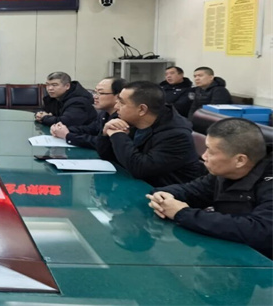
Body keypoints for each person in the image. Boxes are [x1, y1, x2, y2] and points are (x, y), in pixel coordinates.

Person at [146, 118, 271, 259]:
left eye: (211, 152)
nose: (203, 156)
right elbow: (192, 191)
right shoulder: (224, 173)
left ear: (240, 160)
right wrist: (164, 196)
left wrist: (182, 213)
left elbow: (261, 231)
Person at [97, 81, 203, 187]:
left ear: (142, 109)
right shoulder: (129, 119)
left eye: (122, 103)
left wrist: (118, 135)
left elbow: (140, 168)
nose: (116, 106)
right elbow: (106, 155)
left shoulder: (176, 135)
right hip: (137, 185)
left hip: (164, 192)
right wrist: (105, 134)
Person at [50, 77, 125, 149]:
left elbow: (102, 143)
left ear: (118, 96)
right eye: (95, 92)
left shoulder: (122, 118)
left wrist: (68, 135)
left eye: (101, 93)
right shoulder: (104, 113)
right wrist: (62, 129)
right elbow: (90, 129)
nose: (95, 96)